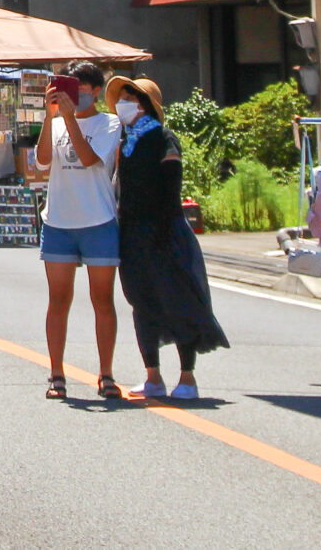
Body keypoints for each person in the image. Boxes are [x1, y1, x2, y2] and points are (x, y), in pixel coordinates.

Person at [107, 74, 230, 401]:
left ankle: (187, 377)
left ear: (146, 105)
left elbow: (171, 185)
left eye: (131, 99)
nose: (124, 105)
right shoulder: (125, 140)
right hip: (131, 231)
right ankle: (153, 376)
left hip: (165, 229)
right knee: (141, 302)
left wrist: (162, 228)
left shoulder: (164, 137)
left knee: (178, 299)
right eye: (124, 99)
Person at [35, 61, 122, 399]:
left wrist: (69, 117)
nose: (74, 97)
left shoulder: (109, 123)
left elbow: (89, 159)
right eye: (68, 90)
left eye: (80, 91)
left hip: (97, 221)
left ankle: (106, 374)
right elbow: (42, 161)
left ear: (96, 91)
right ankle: (56, 373)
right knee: (58, 299)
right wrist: (49, 115)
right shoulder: (56, 123)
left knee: (102, 299)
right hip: (58, 221)